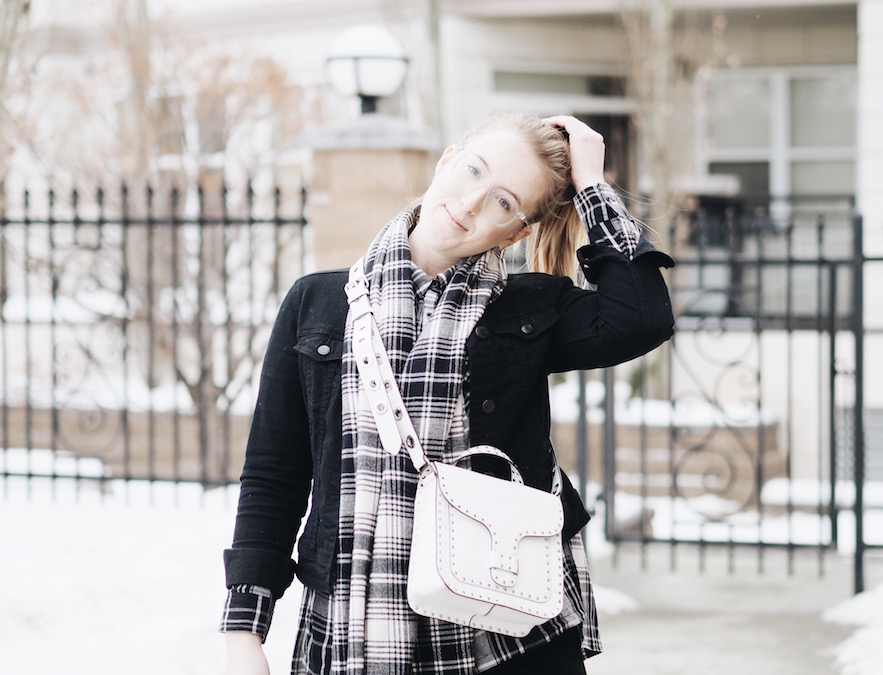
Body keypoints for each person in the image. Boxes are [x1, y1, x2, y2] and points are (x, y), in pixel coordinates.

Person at [220, 112, 674, 675]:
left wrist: (591, 188)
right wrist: (244, 625)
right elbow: (275, 472)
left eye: (504, 203)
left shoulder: (529, 308)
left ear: (518, 233)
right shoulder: (317, 304)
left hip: (506, 636)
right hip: (351, 632)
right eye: (472, 171)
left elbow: (642, 318)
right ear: (447, 161)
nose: (471, 203)